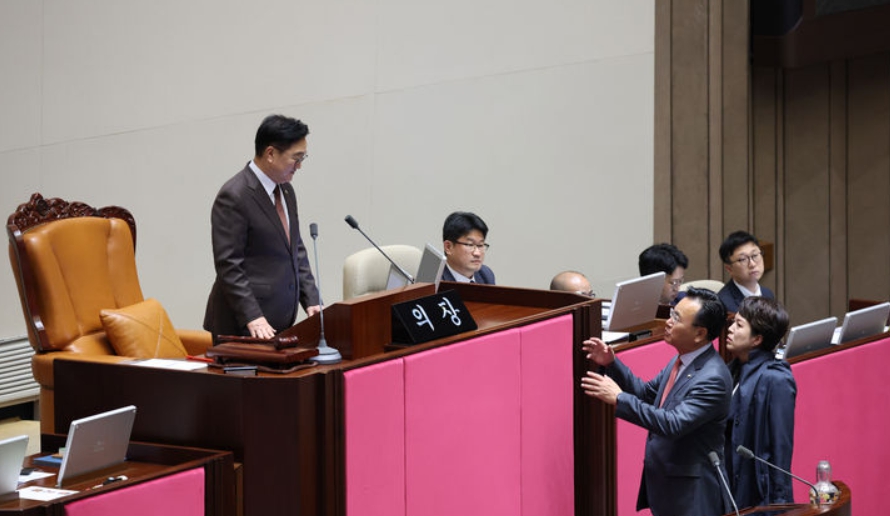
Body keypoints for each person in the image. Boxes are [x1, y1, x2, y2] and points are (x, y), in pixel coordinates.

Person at [581, 288, 732, 516]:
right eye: (672, 314)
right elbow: (647, 393)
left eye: (677, 319)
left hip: (692, 495)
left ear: (700, 334)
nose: (669, 322)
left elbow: (673, 424)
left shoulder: (713, 378)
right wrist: (612, 363)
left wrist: (619, 398)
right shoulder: (682, 360)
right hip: (667, 486)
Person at [204, 114, 321, 342]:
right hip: (242, 327)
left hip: (279, 323)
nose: (299, 166)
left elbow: (295, 249)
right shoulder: (235, 195)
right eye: (296, 158)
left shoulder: (286, 190)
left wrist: (312, 301)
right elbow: (229, 265)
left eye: (303, 158)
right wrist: (253, 316)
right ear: (270, 154)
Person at [724, 296, 796, 508]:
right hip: (727, 487)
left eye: (738, 325)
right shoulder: (732, 370)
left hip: (758, 495)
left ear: (757, 339)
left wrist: (779, 505)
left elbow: (780, 449)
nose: (729, 329)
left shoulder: (777, 380)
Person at [718, 231, 774, 312]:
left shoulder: (767, 294)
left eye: (755, 255)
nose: (752, 264)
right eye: (743, 259)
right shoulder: (723, 305)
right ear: (729, 269)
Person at [440, 211, 495, 284]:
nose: (477, 253)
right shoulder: (434, 282)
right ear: (448, 247)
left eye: (480, 245)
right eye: (470, 244)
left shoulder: (485, 275)